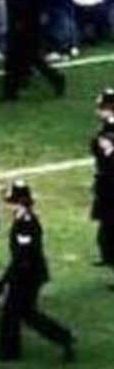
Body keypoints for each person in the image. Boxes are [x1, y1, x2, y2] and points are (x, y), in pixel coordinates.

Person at [0, 180, 76, 362]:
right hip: (28, 273)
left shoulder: (25, 223)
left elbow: (23, 255)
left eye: (11, 202)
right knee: (19, 313)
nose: (8, 207)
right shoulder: (23, 219)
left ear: (20, 202)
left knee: (18, 312)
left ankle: (62, 338)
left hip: (27, 275)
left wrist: (5, 279)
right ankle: (9, 350)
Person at [1, 0, 66, 100]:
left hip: (26, 24)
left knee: (23, 58)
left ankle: (12, 91)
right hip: (19, 21)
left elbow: (30, 1)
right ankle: (12, 91)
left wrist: (24, 21)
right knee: (26, 58)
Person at [91, 117, 114, 281]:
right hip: (105, 202)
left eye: (103, 140)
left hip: (111, 203)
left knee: (109, 238)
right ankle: (107, 258)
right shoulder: (105, 156)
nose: (100, 142)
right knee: (104, 237)